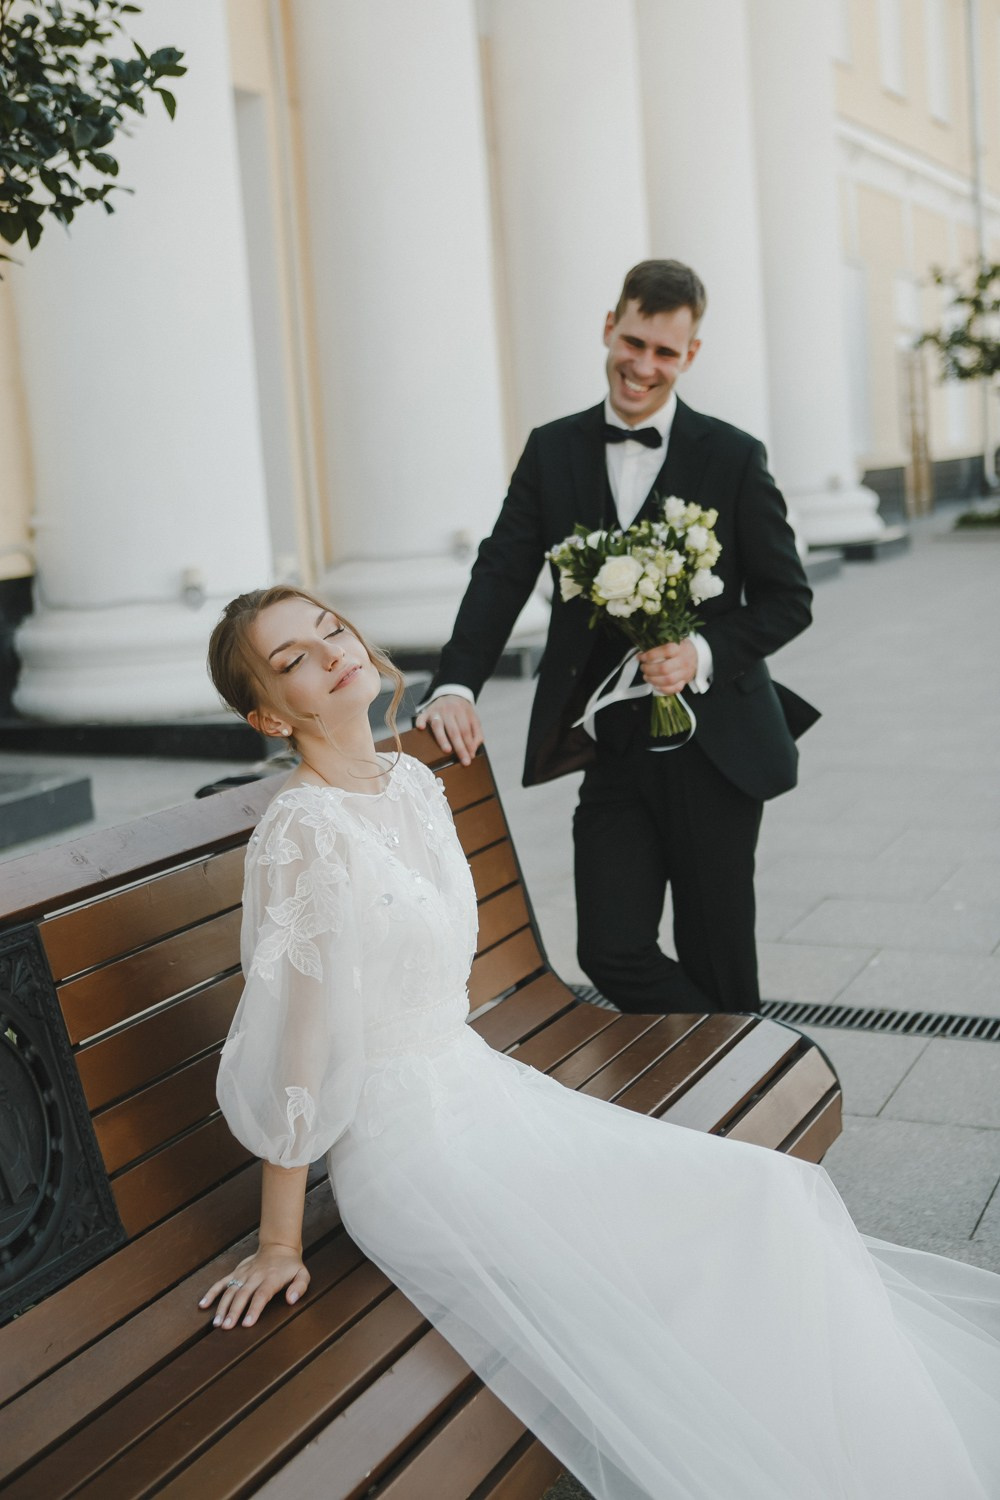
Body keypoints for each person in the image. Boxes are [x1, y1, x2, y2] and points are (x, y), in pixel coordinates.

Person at [200, 585, 1000, 1500]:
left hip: (479, 1088)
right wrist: (278, 1241)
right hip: (408, 1147)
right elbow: (300, 1046)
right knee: (705, 1234)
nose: (331, 650)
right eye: (294, 657)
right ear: (268, 712)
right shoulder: (301, 830)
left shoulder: (411, 779)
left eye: (330, 628)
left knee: (767, 1195)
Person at [417, 260, 819, 1016]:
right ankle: (722, 1063)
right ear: (610, 327)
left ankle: (726, 1116)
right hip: (610, 745)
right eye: (633, 341)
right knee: (608, 947)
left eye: (665, 352)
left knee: (719, 953)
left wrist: (699, 651)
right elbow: (501, 571)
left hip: (717, 751)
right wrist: (454, 683)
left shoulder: (732, 457)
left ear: (690, 356)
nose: (642, 366)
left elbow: (787, 600)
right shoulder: (553, 449)